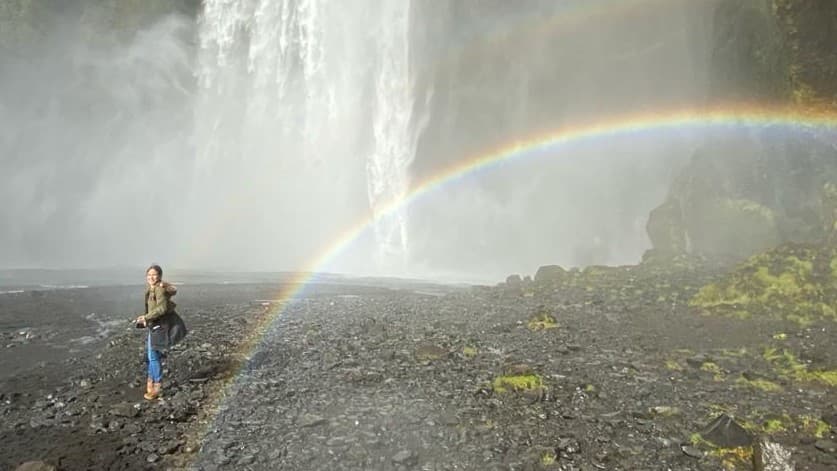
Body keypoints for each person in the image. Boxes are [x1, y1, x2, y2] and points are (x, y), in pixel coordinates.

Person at [134, 264, 187, 401]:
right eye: (149, 275)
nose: (151, 277)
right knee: (152, 355)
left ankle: (156, 388)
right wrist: (146, 319)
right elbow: (154, 309)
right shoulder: (151, 289)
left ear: (160, 276)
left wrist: (146, 317)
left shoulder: (159, 290)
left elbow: (162, 309)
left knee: (153, 356)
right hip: (155, 325)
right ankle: (150, 385)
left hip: (160, 326)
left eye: (154, 274)